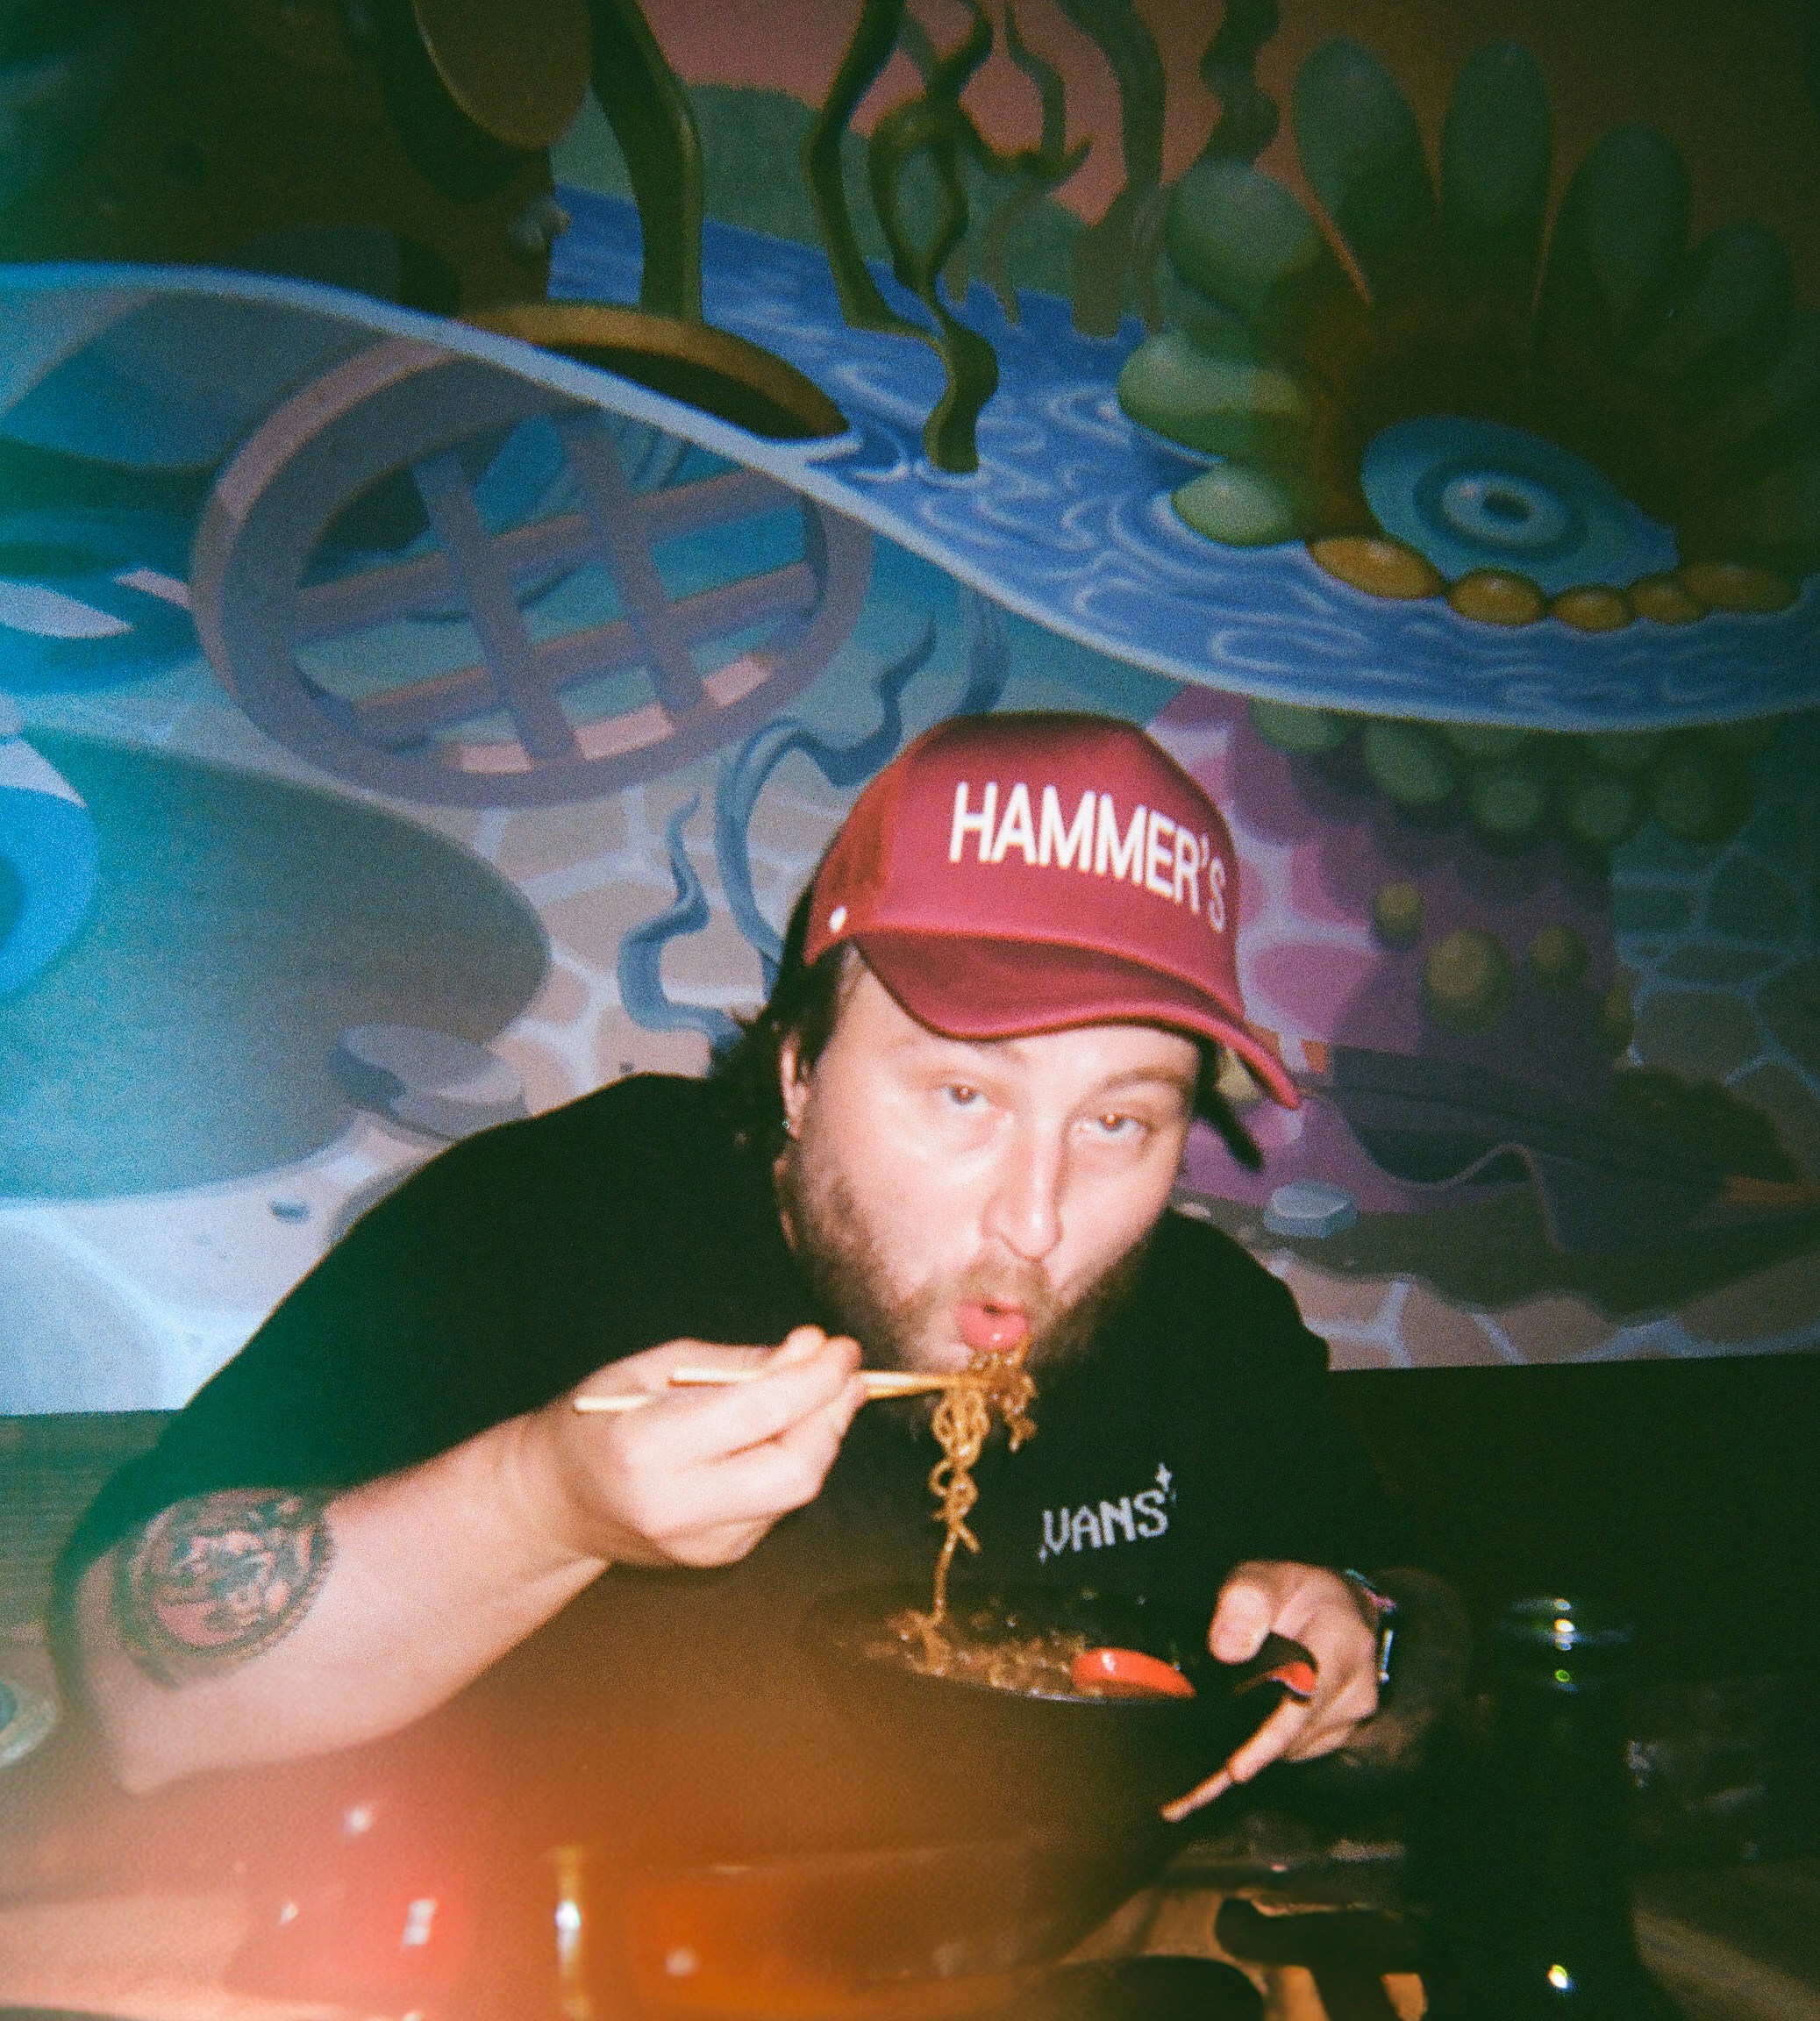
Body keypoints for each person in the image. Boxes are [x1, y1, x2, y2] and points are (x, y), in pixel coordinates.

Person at [56, 711, 1406, 1860]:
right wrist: (545, 1498)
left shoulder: (1208, 1323)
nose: (1036, 1218)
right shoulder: (542, 1223)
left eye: (1120, 1121)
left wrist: (1366, 1640)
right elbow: (132, 1695)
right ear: (799, 1070)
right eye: (959, 1092)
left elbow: (1417, 1623)